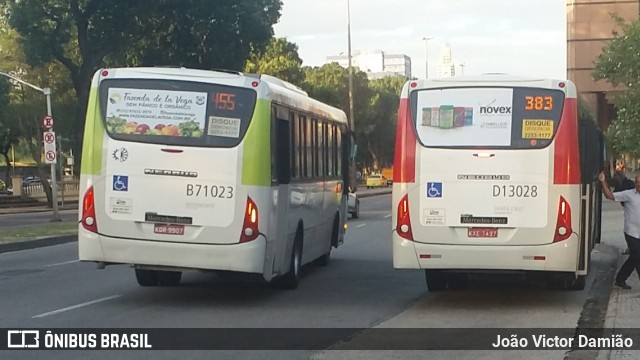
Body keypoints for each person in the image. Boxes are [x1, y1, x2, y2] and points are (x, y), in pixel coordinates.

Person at [599, 171, 640, 289]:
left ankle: (620, 279)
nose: (638, 185)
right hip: (631, 232)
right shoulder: (629, 194)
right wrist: (603, 182)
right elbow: (610, 196)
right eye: (637, 183)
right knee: (637, 256)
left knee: (634, 257)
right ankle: (621, 279)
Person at [613, 171, 635, 255]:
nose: (615, 178)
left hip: (632, 208)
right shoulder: (619, 184)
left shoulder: (628, 183)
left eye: (616, 176)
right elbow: (615, 194)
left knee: (631, 229)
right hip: (628, 208)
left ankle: (631, 248)